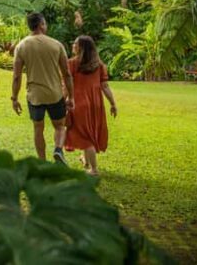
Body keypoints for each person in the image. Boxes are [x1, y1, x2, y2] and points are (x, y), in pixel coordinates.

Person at [11, 12, 75, 164]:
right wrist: (71, 96)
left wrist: (14, 98)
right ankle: (58, 150)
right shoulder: (56, 45)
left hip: (35, 96)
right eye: (45, 23)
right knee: (60, 126)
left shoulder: (21, 46)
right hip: (55, 94)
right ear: (41, 25)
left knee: (38, 128)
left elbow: (17, 76)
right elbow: (67, 74)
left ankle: (42, 162)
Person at [65, 35, 118, 175]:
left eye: (75, 44)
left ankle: (94, 169)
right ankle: (86, 160)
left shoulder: (71, 63)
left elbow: (67, 85)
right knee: (88, 132)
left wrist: (63, 100)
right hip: (96, 104)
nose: (73, 46)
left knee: (85, 136)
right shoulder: (99, 65)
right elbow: (105, 86)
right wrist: (113, 104)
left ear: (81, 48)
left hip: (79, 103)